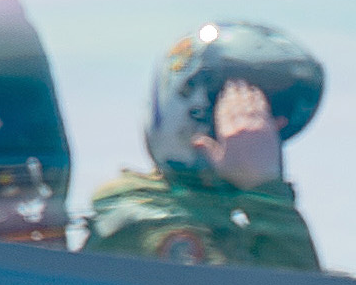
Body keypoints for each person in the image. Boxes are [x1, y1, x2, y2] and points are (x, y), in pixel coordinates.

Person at [84, 21, 324, 270]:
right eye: (243, 109)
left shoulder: (225, 221)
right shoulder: (154, 225)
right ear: (195, 111)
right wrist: (266, 194)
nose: (264, 130)